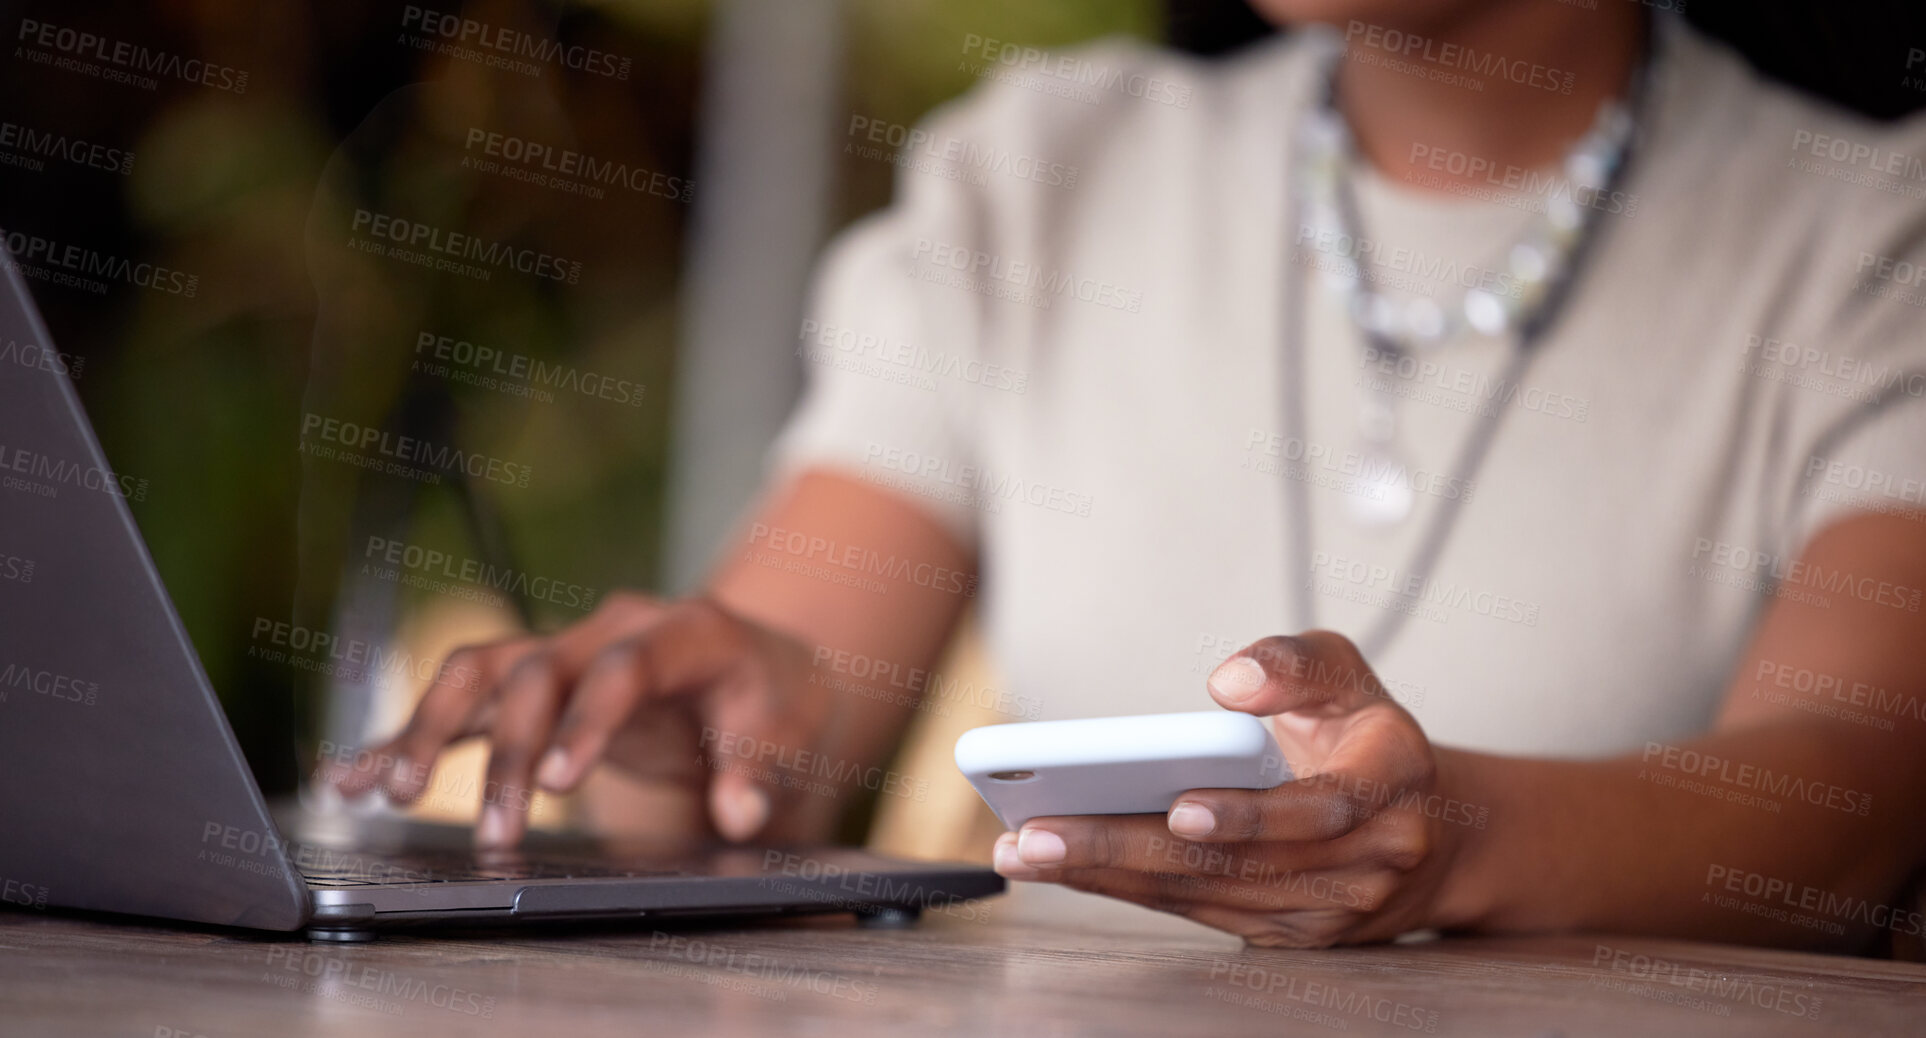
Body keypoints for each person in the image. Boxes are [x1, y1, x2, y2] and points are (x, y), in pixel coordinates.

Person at [330, 0, 1926, 951]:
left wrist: (1448, 842)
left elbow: (1853, 794)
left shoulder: (1868, 234)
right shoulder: (1044, 171)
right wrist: (684, 732)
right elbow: (778, 726)